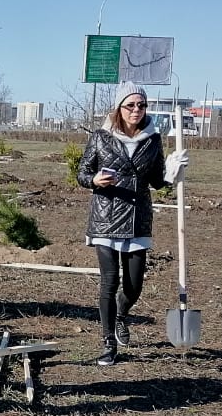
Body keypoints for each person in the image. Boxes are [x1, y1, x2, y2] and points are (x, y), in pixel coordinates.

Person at [76, 81, 189, 366]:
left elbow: (156, 180)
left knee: (135, 284)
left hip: (138, 218)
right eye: (131, 105)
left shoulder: (152, 139)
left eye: (141, 105)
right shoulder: (101, 137)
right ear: (119, 107)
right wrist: (94, 181)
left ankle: (121, 316)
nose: (136, 110)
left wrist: (172, 172)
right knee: (109, 281)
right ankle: (107, 343)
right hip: (106, 218)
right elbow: (82, 172)